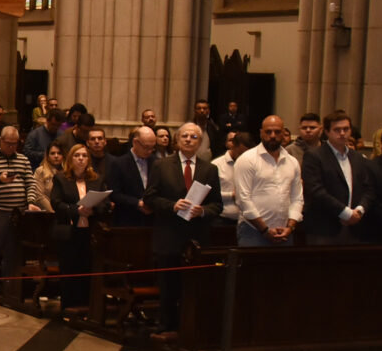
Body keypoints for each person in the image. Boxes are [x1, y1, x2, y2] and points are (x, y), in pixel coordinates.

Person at [143, 123, 222, 338]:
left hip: (196, 237)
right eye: (184, 136)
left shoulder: (210, 169)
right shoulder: (161, 165)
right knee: (169, 286)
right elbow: (150, 197)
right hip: (169, 235)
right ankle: (167, 326)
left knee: (194, 285)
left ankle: (191, 326)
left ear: (200, 142)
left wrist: (202, 211)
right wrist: (172, 206)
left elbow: (217, 205)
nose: (188, 139)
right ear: (177, 140)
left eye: (193, 137)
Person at [0, 126, 40, 303]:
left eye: (15, 144)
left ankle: (9, 288)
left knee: (13, 252)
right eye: (9, 143)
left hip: (18, 214)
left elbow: (30, 182)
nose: (12, 147)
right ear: (1, 141)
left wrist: (31, 201)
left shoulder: (23, 160)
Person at [50, 143, 110, 312]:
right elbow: (56, 203)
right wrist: (76, 210)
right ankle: (69, 307)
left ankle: (86, 307)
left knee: (87, 268)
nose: (81, 159)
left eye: (84, 156)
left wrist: (93, 210)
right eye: (77, 156)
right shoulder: (61, 178)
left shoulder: (97, 179)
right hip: (70, 231)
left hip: (90, 232)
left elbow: (105, 203)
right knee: (70, 270)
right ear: (71, 159)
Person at [301, 110, 373, 244]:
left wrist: (359, 210)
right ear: (327, 132)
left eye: (346, 129)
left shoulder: (358, 158)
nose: (342, 133)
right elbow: (316, 191)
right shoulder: (314, 156)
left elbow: (369, 188)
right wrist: (345, 212)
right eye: (337, 130)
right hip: (325, 227)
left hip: (355, 226)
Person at [233, 116, 302, 246]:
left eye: (277, 132)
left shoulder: (292, 162)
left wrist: (290, 227)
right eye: (268, 132)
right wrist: (264, 230)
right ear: (261, 133)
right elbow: (243, 199)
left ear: (284, 133)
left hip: (285, 232)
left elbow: (297, 198)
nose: (272, 136)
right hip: (253, 232)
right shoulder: (247, 159)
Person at [106, 126, 157, 227]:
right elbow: (114, 194)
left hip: (151, 220)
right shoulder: (119, 163)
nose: (149, 151)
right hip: (127, 219)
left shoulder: (155, 161)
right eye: (146, 147)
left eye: (152, 148)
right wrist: (137, 203)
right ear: (135, 142)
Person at [28, 141, 64, 212]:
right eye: (52, 153)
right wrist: (54, 212)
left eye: (59, 153)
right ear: (47, 156)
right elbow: (39, 196)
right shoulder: (40, 171)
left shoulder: (68, 172)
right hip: (47, 213)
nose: (56, 156)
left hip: (65, 212)